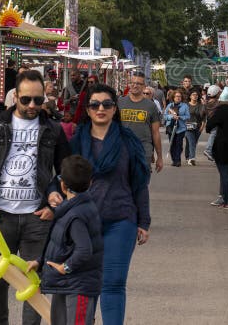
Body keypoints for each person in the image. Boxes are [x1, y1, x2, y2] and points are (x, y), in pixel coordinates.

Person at [0, 69, 70, 325]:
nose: (33, 105)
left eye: (38, 99)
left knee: (32, 280)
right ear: (16, 96)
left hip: (37, 216)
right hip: (0, 216)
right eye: (26, 100)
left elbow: (66, 171)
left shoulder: (53, 130)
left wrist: (53, 202)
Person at [57, 82, 151, 324]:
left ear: (114, 109)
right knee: (84, 285)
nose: (101, 108)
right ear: (87, 110)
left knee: (112, 284)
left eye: (107, 104)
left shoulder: (128, 142)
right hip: (83, 223)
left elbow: (139, 183)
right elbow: (61, 180)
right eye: (95, 104)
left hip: (121, 220)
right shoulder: (76, 143)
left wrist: (143, 221)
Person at [27, 155, 103, 325]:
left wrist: (65, 267)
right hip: (67, 284)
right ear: (90, 183)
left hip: (78, 286)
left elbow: (84, 250)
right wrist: (40, 262)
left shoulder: (75, 216)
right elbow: (61, 245)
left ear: (62, 185)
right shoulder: (71, 209)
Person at [117, 71, 163, 173]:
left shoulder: (151, 106)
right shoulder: (120, 102)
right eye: (133, 82)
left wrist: (159, 157)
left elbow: (155, 133)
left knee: (141, 183)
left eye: (138, 83)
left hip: (143, 150)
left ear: (144, 86)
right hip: (123, 150)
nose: (135, 85)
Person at [164, 90, 190, 167]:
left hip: (180, 128)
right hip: (170, 128)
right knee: (172, 144)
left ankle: (178, 160)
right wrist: (172, 116)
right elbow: (165, 116)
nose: (178, 98)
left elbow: (188, 116)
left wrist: (180, 117)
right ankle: (174, 160)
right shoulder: (169, 106)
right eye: (176, 96)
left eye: (179, 96)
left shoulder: (185, 106)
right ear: (173, 97)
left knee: (179, 144)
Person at [184, 89, 206, 166]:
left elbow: (203, 116)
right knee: (191, 142)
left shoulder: (200, 105)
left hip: (198, 127)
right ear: (190, 96)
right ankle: (192, 158)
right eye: (193, 94)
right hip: (188, 127)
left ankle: (187, 156)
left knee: (192, 143)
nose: (195, 96)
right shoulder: (186, 105)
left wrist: (203, 125)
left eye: (196, 95)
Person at [203, 85, 222, 161]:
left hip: (210, 122)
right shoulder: (217, 103)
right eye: (219, 92)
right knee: (213, 135)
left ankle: (212, 152)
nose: (220, 93)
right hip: (215, 122)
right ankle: (208, 150)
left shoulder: (207, 102)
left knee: (214, 136)